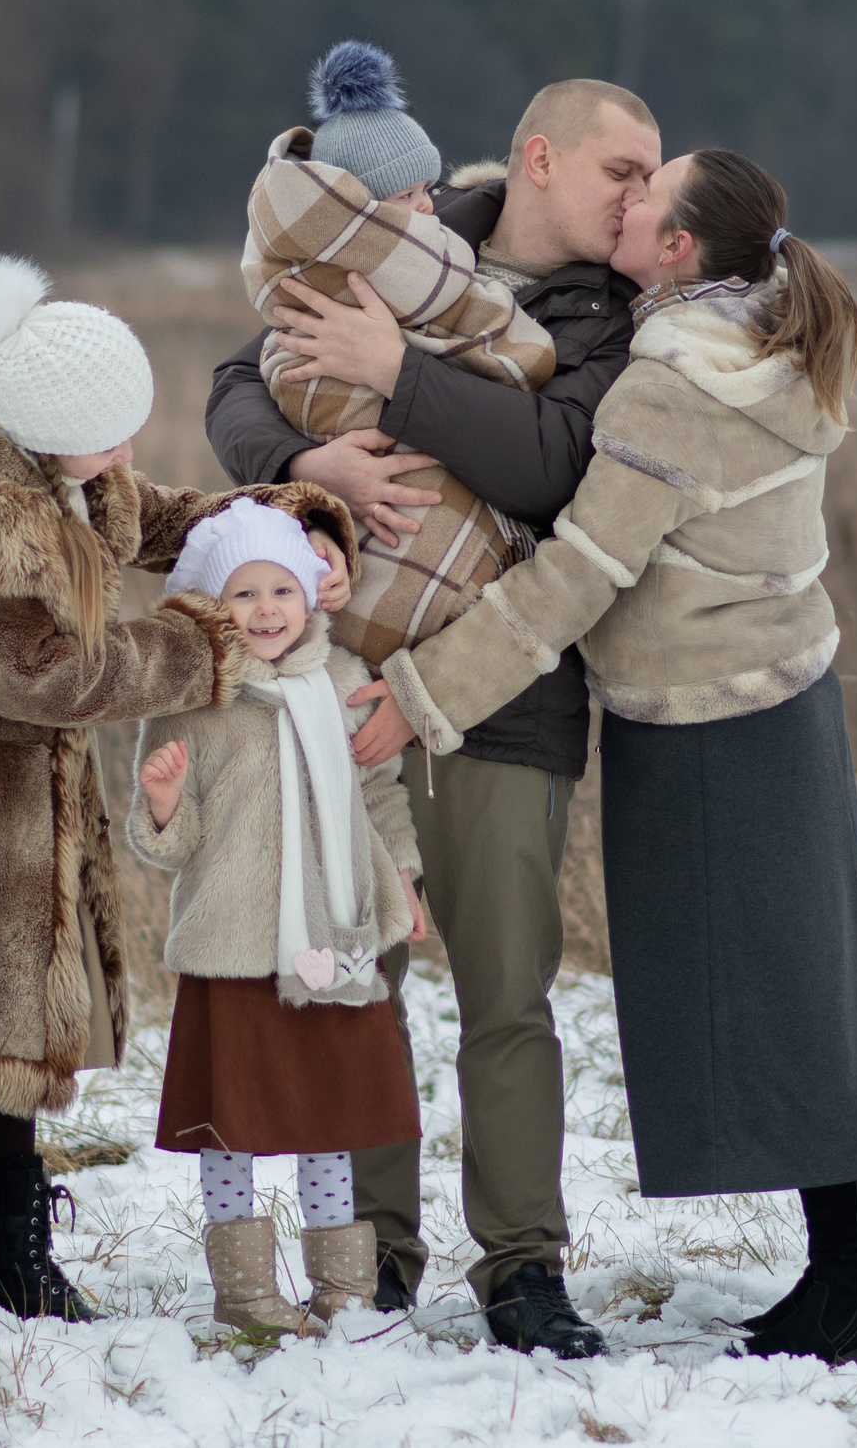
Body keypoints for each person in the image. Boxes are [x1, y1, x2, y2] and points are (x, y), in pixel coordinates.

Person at [358, 149, 857, 1368]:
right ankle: (853, 1279)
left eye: (647, 196)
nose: (623, 204)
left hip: (708, 723)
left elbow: (575, 579)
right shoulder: (761, 339)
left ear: (677, 249)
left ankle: (853, 1295)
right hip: (783, 696)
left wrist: (418, 696)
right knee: (812, 994)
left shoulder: (670, 386)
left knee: (788, 1005)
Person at [206, 78, 663, 1358]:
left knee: (507, 995)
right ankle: (374, 1257)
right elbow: (238, 377)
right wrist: (298, 463)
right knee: (360, 984)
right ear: (540, 158)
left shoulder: (613, 315)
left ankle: (522, 1267)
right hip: (343, 688)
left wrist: (396, 376)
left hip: (503, 696)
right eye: (623, 170)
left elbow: (555, 463)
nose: (640, 198)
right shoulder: (397, 234)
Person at [0, 255, 351, 1333]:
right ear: (46, 427)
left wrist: (278, 522)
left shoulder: (64, 462)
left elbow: (156, 519)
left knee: (30, 1020)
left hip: (38, 785)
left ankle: (17, 1254)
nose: (126, 454)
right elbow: (45, 674)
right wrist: (207, 642)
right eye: (111, 437)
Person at [125, 498, 429, 1337]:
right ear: (214, 606)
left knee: (329, 1115)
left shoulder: (342, 681)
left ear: (309, 594)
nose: (266, 610)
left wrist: (403, 878)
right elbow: (168, 843)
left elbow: (378, 793)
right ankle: (246, 1290)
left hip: (330, 939)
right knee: (234, 1124)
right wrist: (163, 801)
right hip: (234, 945)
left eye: (282, 590)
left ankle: (342, 1286)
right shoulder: (193, 698)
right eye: (245, 594)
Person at [242, 41, 557, 665]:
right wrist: (304, 465)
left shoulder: (297, 259)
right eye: (406, 196)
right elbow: (521, 353)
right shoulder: (400, 267)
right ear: (358, 213)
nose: (428, 207)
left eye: (428, 188)